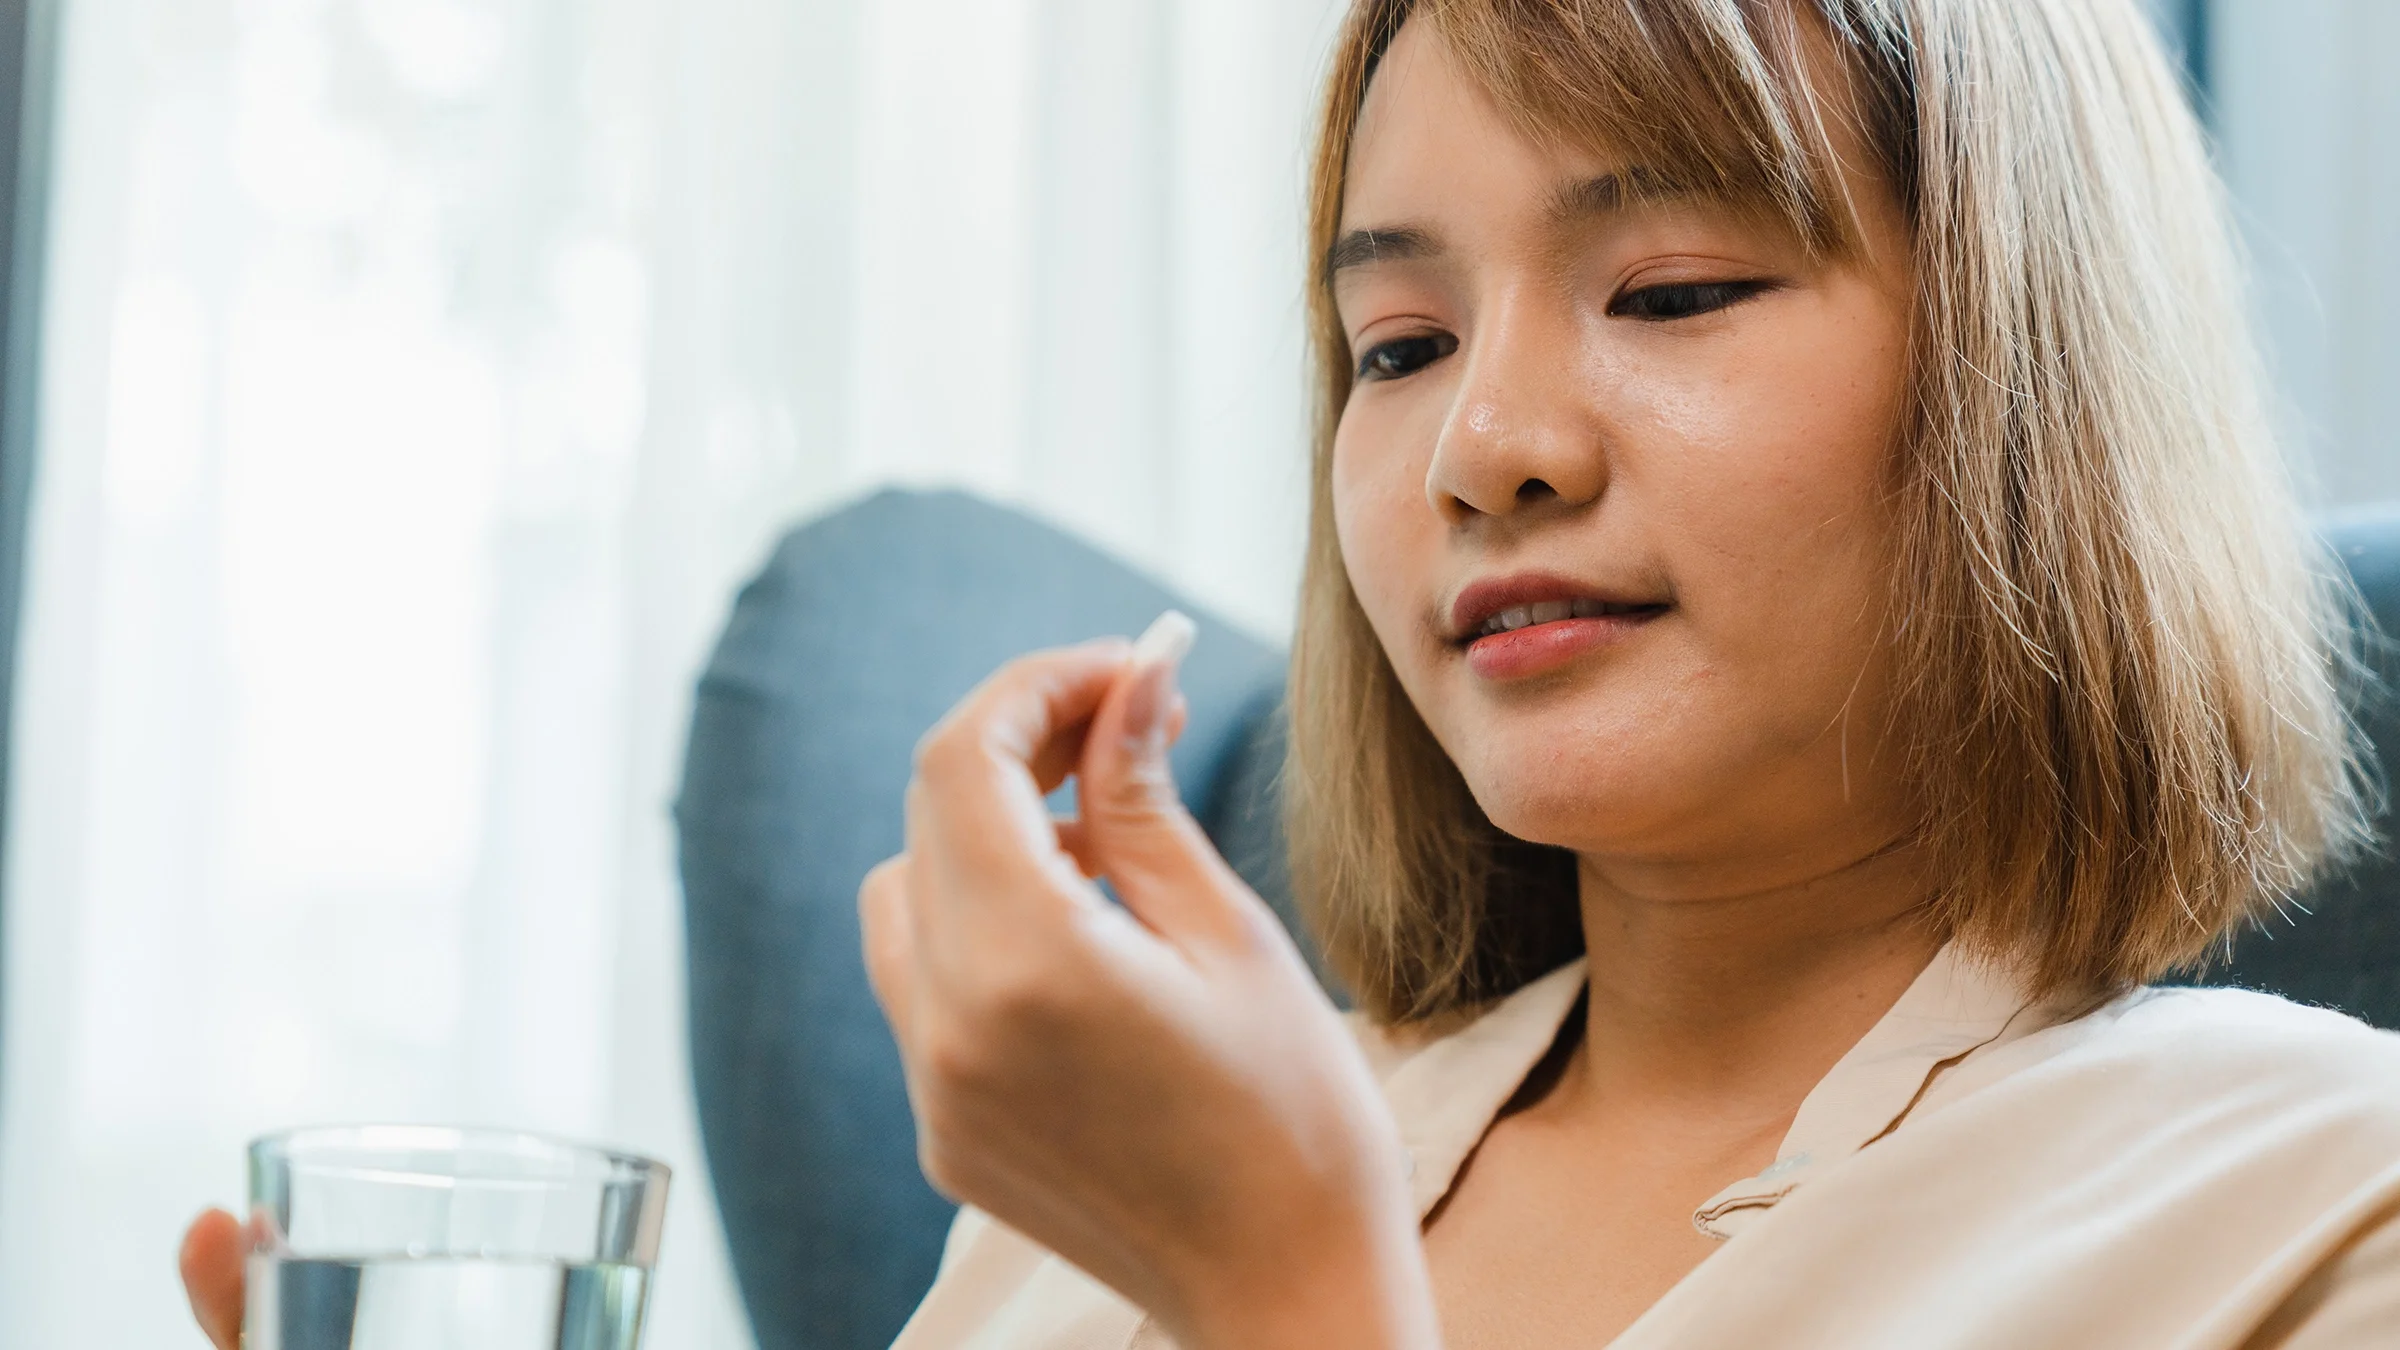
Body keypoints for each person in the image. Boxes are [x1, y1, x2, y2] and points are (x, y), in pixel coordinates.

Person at [183, 0, 2400, 1346]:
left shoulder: (2318, 1216)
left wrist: (1280, 1294)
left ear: (2032, 380)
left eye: (1682, 287)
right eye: (1399, 344)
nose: (1488, 450)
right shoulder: (1128, 1172)